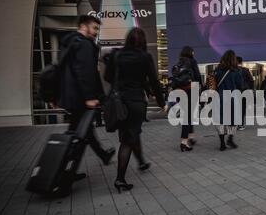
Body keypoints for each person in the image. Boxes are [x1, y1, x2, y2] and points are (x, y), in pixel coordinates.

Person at [104, 27, 167, 193]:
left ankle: (141, 162)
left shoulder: (117, 55)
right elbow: (154, 81)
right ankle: (119, 179)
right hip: (135, 103)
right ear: (143, 42)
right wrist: (162, 102)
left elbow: (107, 77)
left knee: (131, 134)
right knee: (127, 140)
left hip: (119, 103)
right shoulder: (145, 57)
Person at [57, 15, 115, 182]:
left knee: (82, 132)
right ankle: (62, 171)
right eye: (94, 28)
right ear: (84, 26)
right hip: (81, 98)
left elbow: (65, 70)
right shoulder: (83, 44)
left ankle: (100, 156)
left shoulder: (69, 42)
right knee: (78, 135)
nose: (96, 33)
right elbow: (85, 72)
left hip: (72, 96)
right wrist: (90, 97)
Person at [171, 46, 203, 152]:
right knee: (188, 116)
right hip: (191, 90)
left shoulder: (178, 63)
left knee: (187, 114)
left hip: (180, 91)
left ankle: (191, 137)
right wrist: (201, 86)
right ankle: (184, 143)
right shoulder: (192, 62)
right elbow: (198, 76)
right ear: (190, 53)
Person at [215, 50, 243, 151]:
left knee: (221, 121)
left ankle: (222, 143)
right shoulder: (236, 71)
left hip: (219, 97)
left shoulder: (217, 69)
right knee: (233, 120)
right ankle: (230, 139)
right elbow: (240, 85)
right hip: (232, 97)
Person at [237, 57, 254, 130]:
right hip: (244, 91)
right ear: (241, 62)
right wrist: (250, 89)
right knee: (242, 108)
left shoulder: (232, 70)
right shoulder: (246, 70)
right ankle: (240, 124)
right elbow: (251, 80)